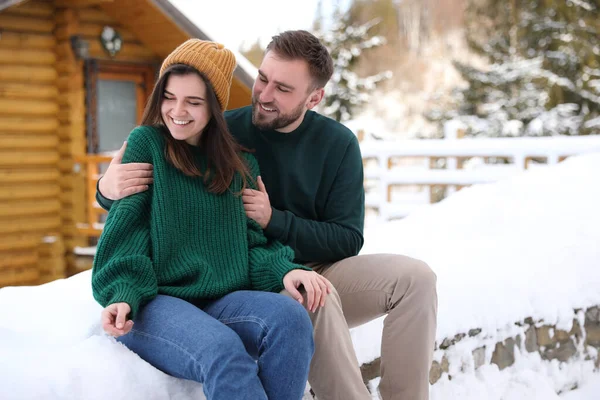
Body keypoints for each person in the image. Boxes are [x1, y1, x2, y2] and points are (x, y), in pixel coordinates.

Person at [97, 31, 438, 400]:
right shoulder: (216, 128)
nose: (264, 95)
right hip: (245, 274)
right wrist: (105, 188)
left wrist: (273, 221)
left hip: (287, 263)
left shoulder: (331, 144)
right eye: (262, 79)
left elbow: (347, 239)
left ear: (314, 97)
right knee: (311, 303)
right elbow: (138, 207)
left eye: (283, 89)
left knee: (415, 279)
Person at [91, 39, 333, 400]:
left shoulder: (239, 165)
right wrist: (124, 295)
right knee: (222, 351)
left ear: (213, 107)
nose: (177, 110)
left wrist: (285, 269)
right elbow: (127, 233)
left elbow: (251, 244)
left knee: (291, 320)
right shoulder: (147, 145)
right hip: (155, 304)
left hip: (222, 301)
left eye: (193, 101)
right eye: (169, 97)